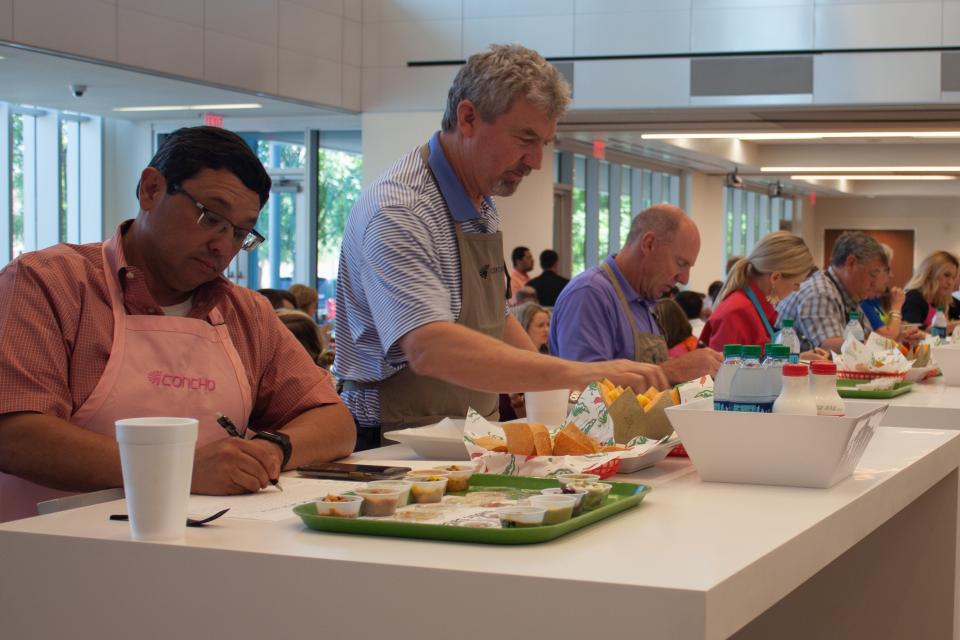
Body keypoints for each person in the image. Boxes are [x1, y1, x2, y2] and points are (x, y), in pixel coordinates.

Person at [0, 126, 355, 522]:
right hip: (47, 553)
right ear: (151, 189)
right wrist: (179, 468)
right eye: (211, 217)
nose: (222, 245)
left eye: (240, 233)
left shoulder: (245, 314)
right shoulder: (48, 284)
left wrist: (274, 450)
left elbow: (335, 421)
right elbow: (16, 435)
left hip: (198, 547)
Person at [333, 44, 666, 449]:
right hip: (393, 445)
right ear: (468, 118)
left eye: (544, 142)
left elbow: (495, 318)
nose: (537, 161)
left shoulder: (482, 202)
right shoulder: (401, 210)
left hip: (468, 436)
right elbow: (429, 348)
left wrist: (558, 389)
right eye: (526, 138)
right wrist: (580, 374)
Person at [549, 204, 723, 385]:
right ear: (648, 244)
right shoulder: (589, 294)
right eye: (680, 263)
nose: (684, 279)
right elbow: (586, 392)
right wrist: (672, 371)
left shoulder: (644, 302)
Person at [701, 231, 826, 358]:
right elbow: (724, 373)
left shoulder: (755, 307)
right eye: (796, 283)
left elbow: (759, 364)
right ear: (775, 277)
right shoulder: (737, 312)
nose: (797, 290)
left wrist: (798, 360)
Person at [777, 231, 888, 352]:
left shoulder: (848, 295)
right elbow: (828, 346)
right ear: (851, 263)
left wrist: (895, 340)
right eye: (873, 274)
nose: (874, 283)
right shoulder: (820, 292)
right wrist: (879, 347)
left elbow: (866, 336)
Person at [902, 250, 960, 332]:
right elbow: (910, 333)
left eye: (953, 278)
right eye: (946, 275)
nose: (950, 282)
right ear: (930, 273)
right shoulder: (913, 298)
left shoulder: (948, 300)